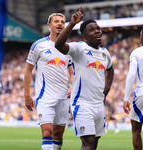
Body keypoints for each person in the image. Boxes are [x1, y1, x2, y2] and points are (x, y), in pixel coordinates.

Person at [55, 6, 114, 150]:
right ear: (85, 36)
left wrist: (106, 91)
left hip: (99, 105)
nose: (97, 31)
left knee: (94, 143)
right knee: (87, 143)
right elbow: (59, 45)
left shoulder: (105, 53)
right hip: (82, 104)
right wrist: (72, 24)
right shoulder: (79, 48)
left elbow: (110, 69)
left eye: (98, 28)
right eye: (92, 30)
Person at [24, 13, 73, 150]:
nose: (60, 24)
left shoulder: (68, 48)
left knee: (58, 134)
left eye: (62, 22)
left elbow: (72, 71)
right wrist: (27, 95)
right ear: (49, 25)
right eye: (56, 21)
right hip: (45, 96)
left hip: (64, 97)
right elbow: (28, 70)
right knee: (47, 132)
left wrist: (73, 85)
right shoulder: (39, 45)